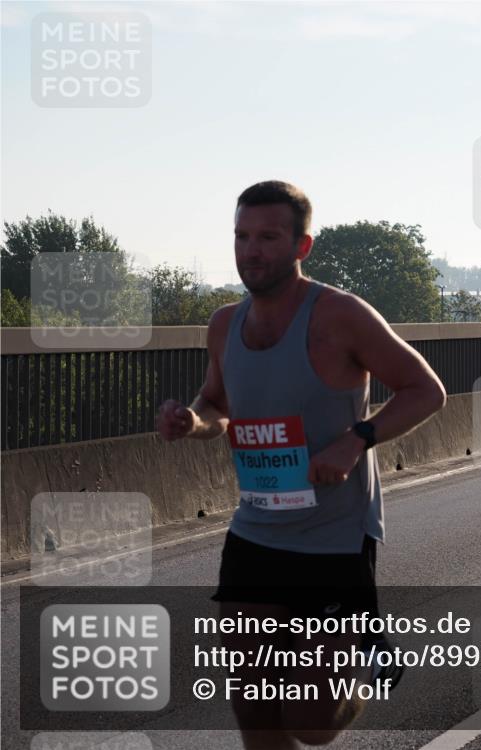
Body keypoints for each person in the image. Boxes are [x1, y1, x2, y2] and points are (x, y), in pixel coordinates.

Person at [156, 181, 446, 748]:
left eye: (268, 236)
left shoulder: (340, 316)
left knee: (310, 725)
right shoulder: (223, 325)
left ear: (301, 246)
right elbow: (216, 403)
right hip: (255, 533)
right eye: (242, 236)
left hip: (334, 540)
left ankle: (362, 671)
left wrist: (355, 440)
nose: (251, 250)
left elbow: (425, 390)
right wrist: (191, 421)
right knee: (255, 700)